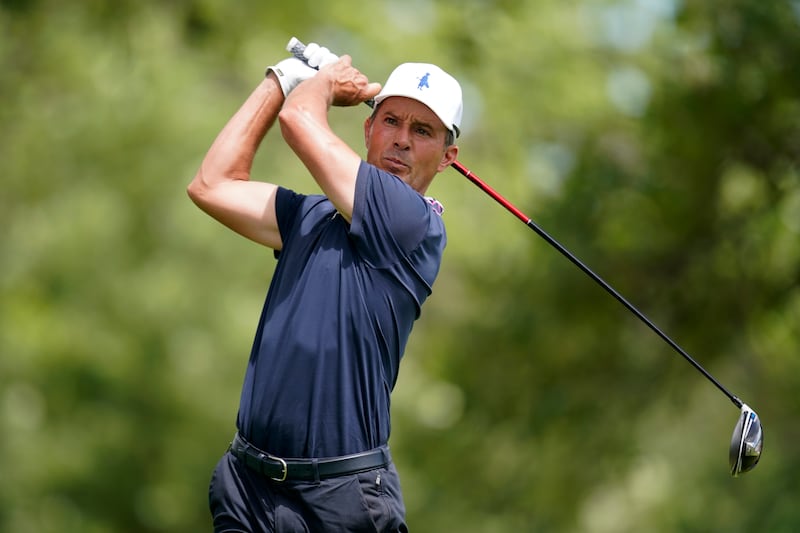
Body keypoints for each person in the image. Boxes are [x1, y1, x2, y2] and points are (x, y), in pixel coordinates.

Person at [187, 41, 462, 532]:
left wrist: (323, 83)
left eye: (422, 131)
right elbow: (212, 184)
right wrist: (279, 81)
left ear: (447, 156)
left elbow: (299, 123)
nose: (401, 139)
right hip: (249, 487)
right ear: (369, 129)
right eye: (391, 121)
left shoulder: (413, 224)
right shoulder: (312, 215)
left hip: (341, 501)